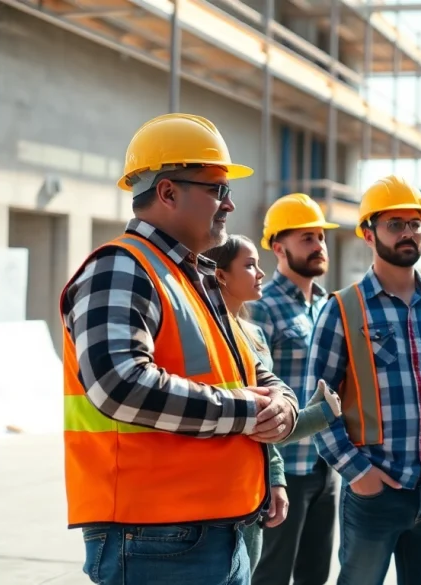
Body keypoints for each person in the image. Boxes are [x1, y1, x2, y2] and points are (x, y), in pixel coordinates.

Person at [60, 113, 299, 585]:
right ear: (168, 192)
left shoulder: (195, 278)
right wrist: (247, 414)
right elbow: (118, 385)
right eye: (216, 189)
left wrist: (283, 406)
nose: (229, 204)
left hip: (218, 531)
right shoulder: (121, 268)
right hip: (155, 539)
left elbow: (253, 371)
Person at [304, 174, 421, 585]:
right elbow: (318, 406)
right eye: (394, 224)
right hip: (375, 493)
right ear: (369, 233)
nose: (408, 233)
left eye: (414, 224)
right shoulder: (342, 310)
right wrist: (359, 473)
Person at [247, 192, 340, 585]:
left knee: (315, 575)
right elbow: (257, 389)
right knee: (271, 575)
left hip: (326, 465)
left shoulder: (326, 305)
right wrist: (272, 472)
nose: (319, 246)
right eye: (307, 238)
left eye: (321, 237)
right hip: (285, 469)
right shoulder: (261, 307)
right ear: (278, 247)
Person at [204, 235, 291, 574]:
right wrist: (326, 412)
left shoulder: (253, 334)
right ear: (221, 275)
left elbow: (270, 409)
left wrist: (276, 477)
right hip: (220, 485)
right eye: (250, 265)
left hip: (255, 482)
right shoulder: (206, 332)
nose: (261, 273)